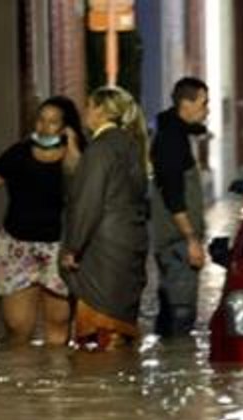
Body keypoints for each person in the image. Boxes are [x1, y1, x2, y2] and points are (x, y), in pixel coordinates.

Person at [0, 96, 85, 346]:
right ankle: (21, 381)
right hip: (17, 247)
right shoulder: (17, 154)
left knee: (58, 325)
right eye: (40, 120)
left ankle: (58, 384)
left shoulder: (76, 158)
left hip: (58, 249)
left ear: (65, 127)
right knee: (17, 328)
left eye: (52, 122)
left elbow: (86, 192)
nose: (43, 127)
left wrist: (73, 149)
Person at [60, 85, 150, 350]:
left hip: (102, 252)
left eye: (89, 106)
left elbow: (88, 204)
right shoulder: (132, 146)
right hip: (130, 245)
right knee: (120, 332)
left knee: (99, 336)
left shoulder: (100, 149)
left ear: (100, 110)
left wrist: (72, 247)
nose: (86, 113)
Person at [149, 76, 209, 337]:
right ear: (186, 103)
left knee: (171, 311)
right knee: (180, 316)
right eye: (203, 103)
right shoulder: (172, 140)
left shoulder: (174, 134)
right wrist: (191, 239)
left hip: (173, 243)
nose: (206, 110)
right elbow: (173, 196)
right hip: (177, 244)